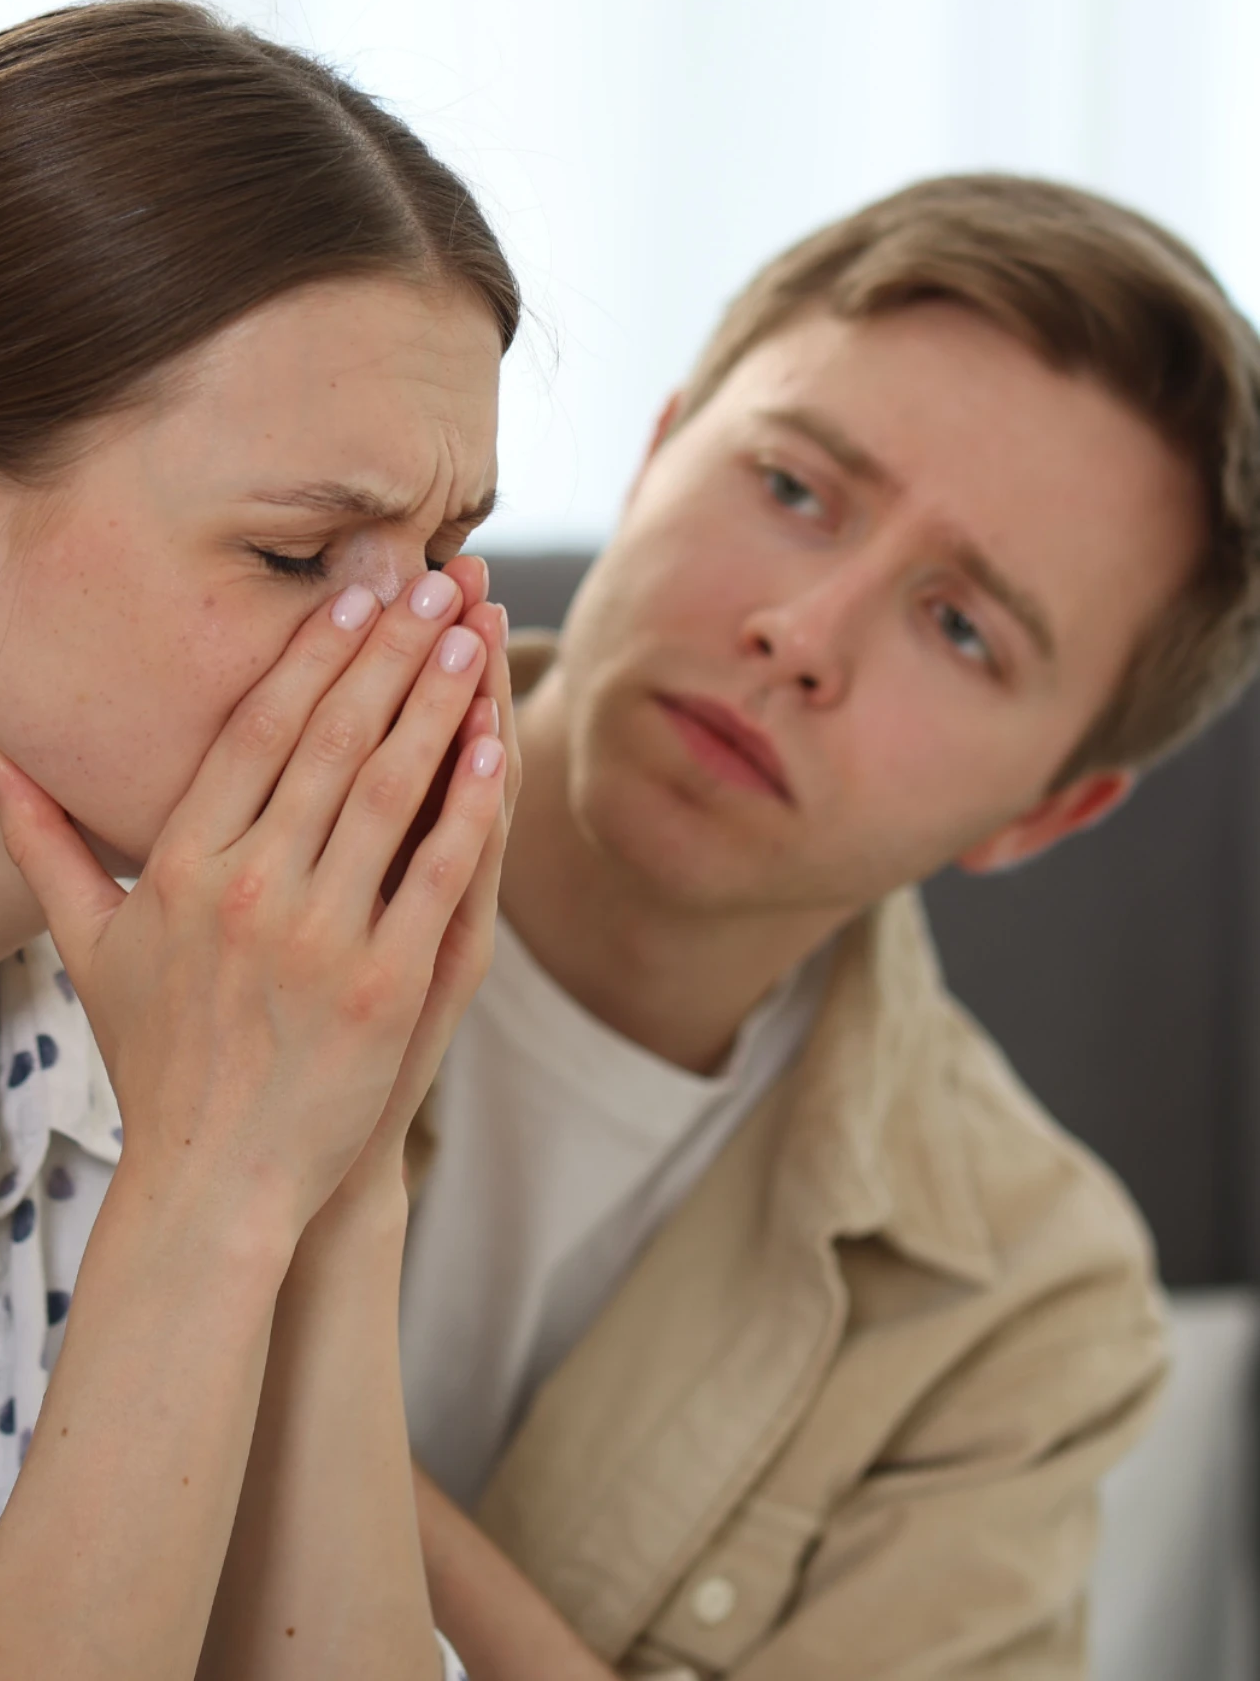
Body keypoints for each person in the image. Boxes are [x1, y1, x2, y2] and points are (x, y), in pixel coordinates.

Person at [0, 0, 522, 1680]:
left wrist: (338, 1176)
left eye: (443, 548)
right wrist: (220, 1181)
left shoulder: (168, 1002)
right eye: (302, 558)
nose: (422, 655)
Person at [399, 175, 1260, 1680]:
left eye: (959, 626)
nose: (801, 636)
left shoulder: (1026, 1314)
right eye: (793, 489)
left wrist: (268, 1354)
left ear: (1039, 816)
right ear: (660, 449)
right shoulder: (143, 811)